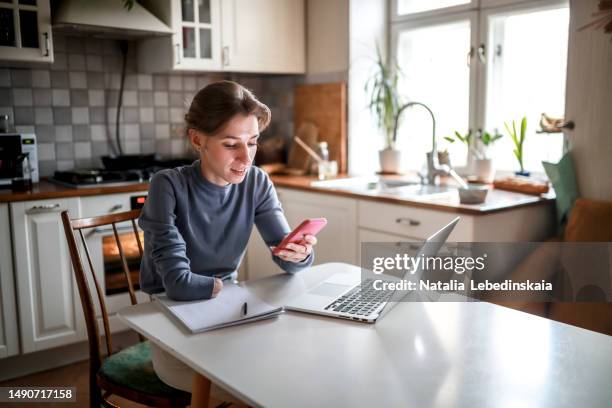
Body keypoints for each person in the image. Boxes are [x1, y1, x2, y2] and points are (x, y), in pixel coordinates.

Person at [138, 80, 318, 394]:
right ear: (198, 139)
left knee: (294, 365)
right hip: (169, 316)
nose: (246, 157)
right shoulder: (166, 185)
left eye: (253, 142)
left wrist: (298, 254)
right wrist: (223, 286)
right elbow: (178, 284)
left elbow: (286, 256)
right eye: (231, 143)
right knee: (257, 384)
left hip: (228, 311)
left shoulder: (257, 182)